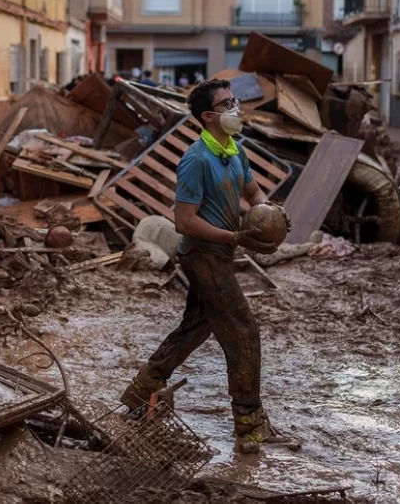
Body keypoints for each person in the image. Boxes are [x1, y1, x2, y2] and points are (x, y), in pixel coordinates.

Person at [119, 78, 294, 452]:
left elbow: (253, 191)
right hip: (202, 255)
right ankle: (250, 427)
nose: (236, 108)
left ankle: (139, 391)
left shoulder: (234, 149)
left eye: (234, 100)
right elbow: (184, 221)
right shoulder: (196, 160)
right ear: (208, 116)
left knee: (196, 327)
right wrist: (235, 237)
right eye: (227, 103)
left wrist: (268, 214)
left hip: (221, 254)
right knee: (243, 331)